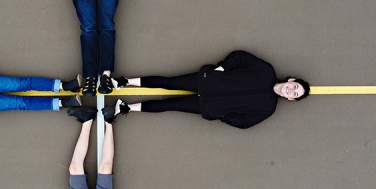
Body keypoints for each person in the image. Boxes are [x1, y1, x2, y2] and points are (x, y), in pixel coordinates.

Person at [103, 50, 310, 129]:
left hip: (208, 106)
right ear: (291, 80)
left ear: (291, 99)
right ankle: (123, 82)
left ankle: (126, 108)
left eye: (295, 94)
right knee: (167, 82)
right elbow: (241, 57)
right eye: (295, 87)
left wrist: (223, 114)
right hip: (207, 81)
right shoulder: (266, 70)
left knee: (169, 105)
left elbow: (245, 123)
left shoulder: (268, 108)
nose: (291, 90)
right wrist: (222, 68)